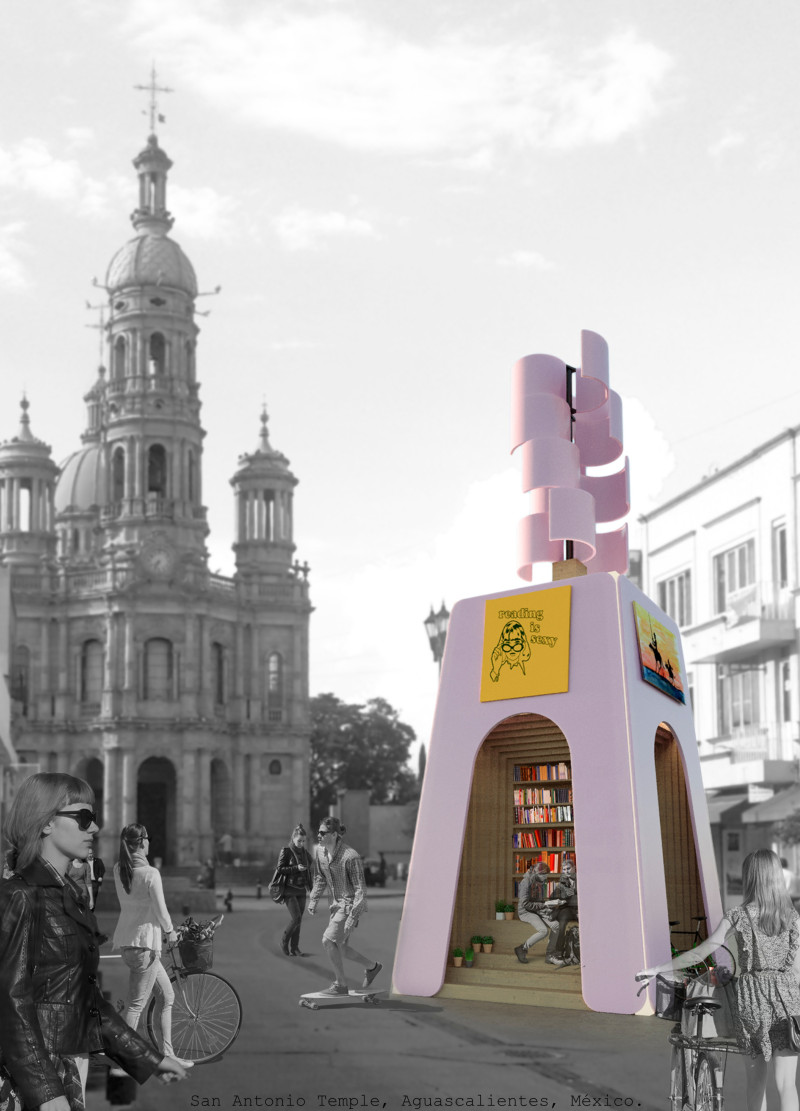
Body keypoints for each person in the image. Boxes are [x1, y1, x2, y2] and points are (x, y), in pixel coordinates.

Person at [0, 772, 187, 1111]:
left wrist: (148, 1058)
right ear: (46, 823)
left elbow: (86, 1000)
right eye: (84, 817)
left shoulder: (69, 894)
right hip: (37, 1075)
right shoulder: (22, 896)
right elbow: (10, 1002)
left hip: (70, 1064)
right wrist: (45, 1091)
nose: (96, 828)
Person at [638, 849, 800, 1111]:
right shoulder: (792, 918)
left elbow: (701, 953)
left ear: (750, 877)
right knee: (787, 1084)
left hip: (753, 1002)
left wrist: (657, 968)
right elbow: (797, 970)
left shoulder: (739, 915)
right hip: (788, 1002)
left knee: (756, 1083)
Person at [113, 823, 194, 1069]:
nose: (149, 843)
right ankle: (123, 1061)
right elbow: (161, 909)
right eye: (147, 839)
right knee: (136, 1005)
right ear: (142, 842)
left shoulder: (119, 869)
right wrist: (170, 931)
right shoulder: (150, 873)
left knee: (167, 996)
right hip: (145, 946)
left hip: (128, 943)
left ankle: (167, 1055)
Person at [307, 816, 382, 996]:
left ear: (334, 835)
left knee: (328, 941)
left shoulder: (351, 857)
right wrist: (313, 899)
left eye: (322, 832)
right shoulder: (321, 853)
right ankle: (372, 967)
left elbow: (361, 891)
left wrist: (352, 917)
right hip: (335, 906)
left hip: (349, 906)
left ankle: (341, 984)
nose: (318, 835)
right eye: (318, 832)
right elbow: (320, 877)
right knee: (341, 949)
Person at [275, 824, 313, 956]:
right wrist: (296, 868)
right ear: (293, 838)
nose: (301, 844)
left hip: (301, 890)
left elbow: (310, 867)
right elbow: (280, 869)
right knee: (296, 918)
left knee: (299, 920)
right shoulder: (286, 851)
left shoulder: (305, 853)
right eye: (299, 841)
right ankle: (284, 941)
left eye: (303, 841)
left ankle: (295, 947)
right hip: (289, 890)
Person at [515, 860, 554, 963]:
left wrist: (546, 907)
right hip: (526, 912)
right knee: (543, 931)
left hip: (536, 910)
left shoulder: (538, 882)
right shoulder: (526, 882)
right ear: (538, 873)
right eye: (544, 875)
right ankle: (522, 948)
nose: (546, 878)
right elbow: (525, 904)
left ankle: (551, 954)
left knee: (556, 925)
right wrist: (543, 906)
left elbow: (539, 901)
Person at [543, 858, 579, 968]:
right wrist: (561, 896)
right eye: (564, 869)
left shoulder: (582, 879)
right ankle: (558, 952)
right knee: (561, 922)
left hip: (581, 909)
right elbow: (552, 897)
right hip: (567, 909)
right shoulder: (563, 880)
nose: (566, 871)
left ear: (574, 868)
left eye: (568, 868)